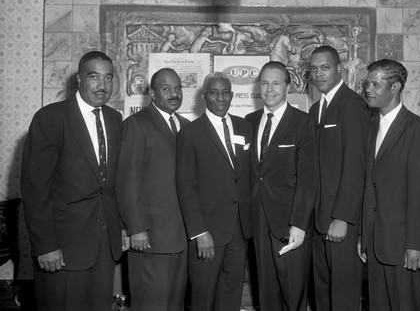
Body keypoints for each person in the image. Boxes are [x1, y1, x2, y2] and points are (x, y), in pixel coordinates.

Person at [21, 51, 127, 311]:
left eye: (108, 78)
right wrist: (46, 246)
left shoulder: (115, 119)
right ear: (78, 79)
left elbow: (111, 185)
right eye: (94, 77)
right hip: (63, 246)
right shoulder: (50, 118)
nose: (102, 85)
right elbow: (35, 188)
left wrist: (121, 227)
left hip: (104, 245)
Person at [358, 59, 420, 311]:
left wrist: (415, 245)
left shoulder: (418, 130)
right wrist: (363, 235)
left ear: (395, 87)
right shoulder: (370, 126)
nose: (368, 89)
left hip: (403, 247)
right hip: (376, 244)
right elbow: (370, 185)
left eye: (375, 84)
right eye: (367, 83)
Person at [175, 72, 252, 311]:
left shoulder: (244, 126)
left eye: (225, 92)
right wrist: (199, 232)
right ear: (204, 96)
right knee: (203, 297)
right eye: (214, 92)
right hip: (208, 233)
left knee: (230, 296)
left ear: (232, 95)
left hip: (239, 231)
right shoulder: (190, 133)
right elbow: (185, 185)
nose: (220, 97)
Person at [245, 61, 316, 311]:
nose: (269, 89)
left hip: (289, 224)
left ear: (287, 86)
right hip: (258, 221)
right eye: (264, 83)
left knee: (293, 292)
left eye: (276, 83)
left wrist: (299, 223)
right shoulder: (249, 121)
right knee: (266, 293)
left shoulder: (303, 122)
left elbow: (309, 180)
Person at [116, 68, 189, 311]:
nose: (174, 93)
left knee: (174, 304)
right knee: (150, 304)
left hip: (181, 237)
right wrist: (136, 229)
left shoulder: (186, 126)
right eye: (166, 88)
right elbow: (128, 181)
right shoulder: (136, 125)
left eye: (178, 88)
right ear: (153, 93)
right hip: (150, 238)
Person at [308, 45, 370, 311]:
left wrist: (342, 217)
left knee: (343, 297)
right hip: (318, 222)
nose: (318, 74)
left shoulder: (353, 105)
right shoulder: (315, 110)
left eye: (325, 67)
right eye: (313, 69)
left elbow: (356, 166)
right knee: (322, 293)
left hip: (340, 222)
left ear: (339, 68)